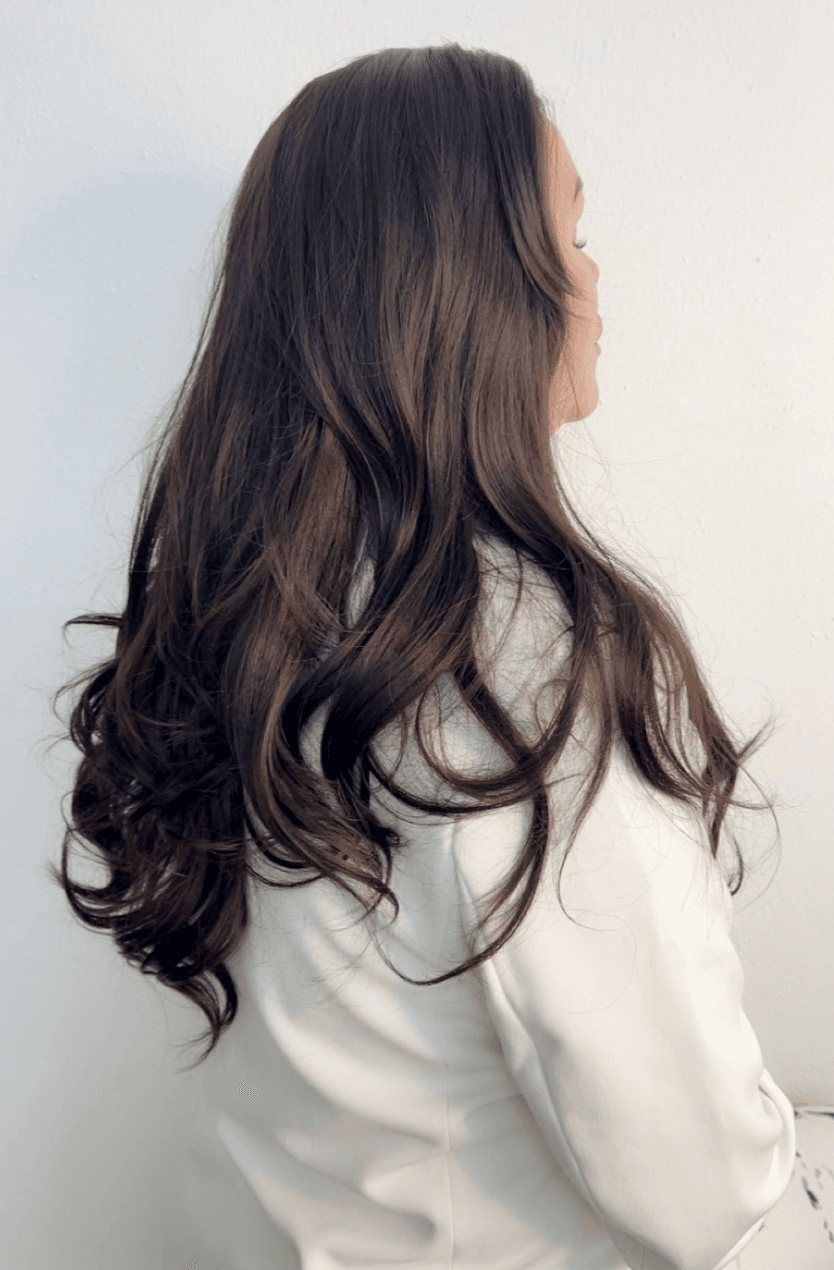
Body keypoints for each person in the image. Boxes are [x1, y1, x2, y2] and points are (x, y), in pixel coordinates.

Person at [46, 42, 833, 1270]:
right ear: (468, 288)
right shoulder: (521, 674)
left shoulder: (257, 615)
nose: (592, 275)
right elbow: (705, 1186)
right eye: (570, 234)